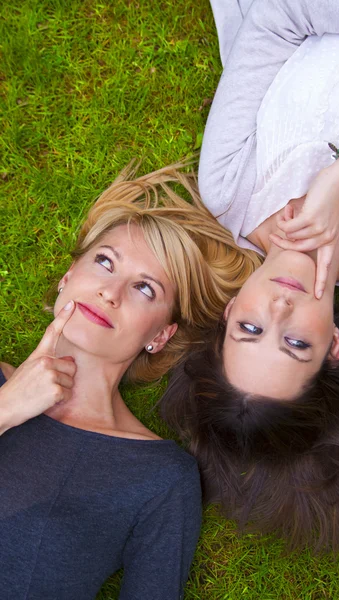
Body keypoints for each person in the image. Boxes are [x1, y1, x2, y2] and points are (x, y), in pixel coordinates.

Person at [159, 1, 339, 551]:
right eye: (294, 343)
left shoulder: (229, 190)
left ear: (228, 312)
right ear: (333, 346)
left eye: (249, 330)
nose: (278, 310)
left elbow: (274, 16)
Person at [0, 164, 260, 599]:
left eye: (145, 289)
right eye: (104, 262)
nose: (110, 291)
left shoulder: (159, 478)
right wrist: (7, 407)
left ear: (160, 335)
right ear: (68, 278)